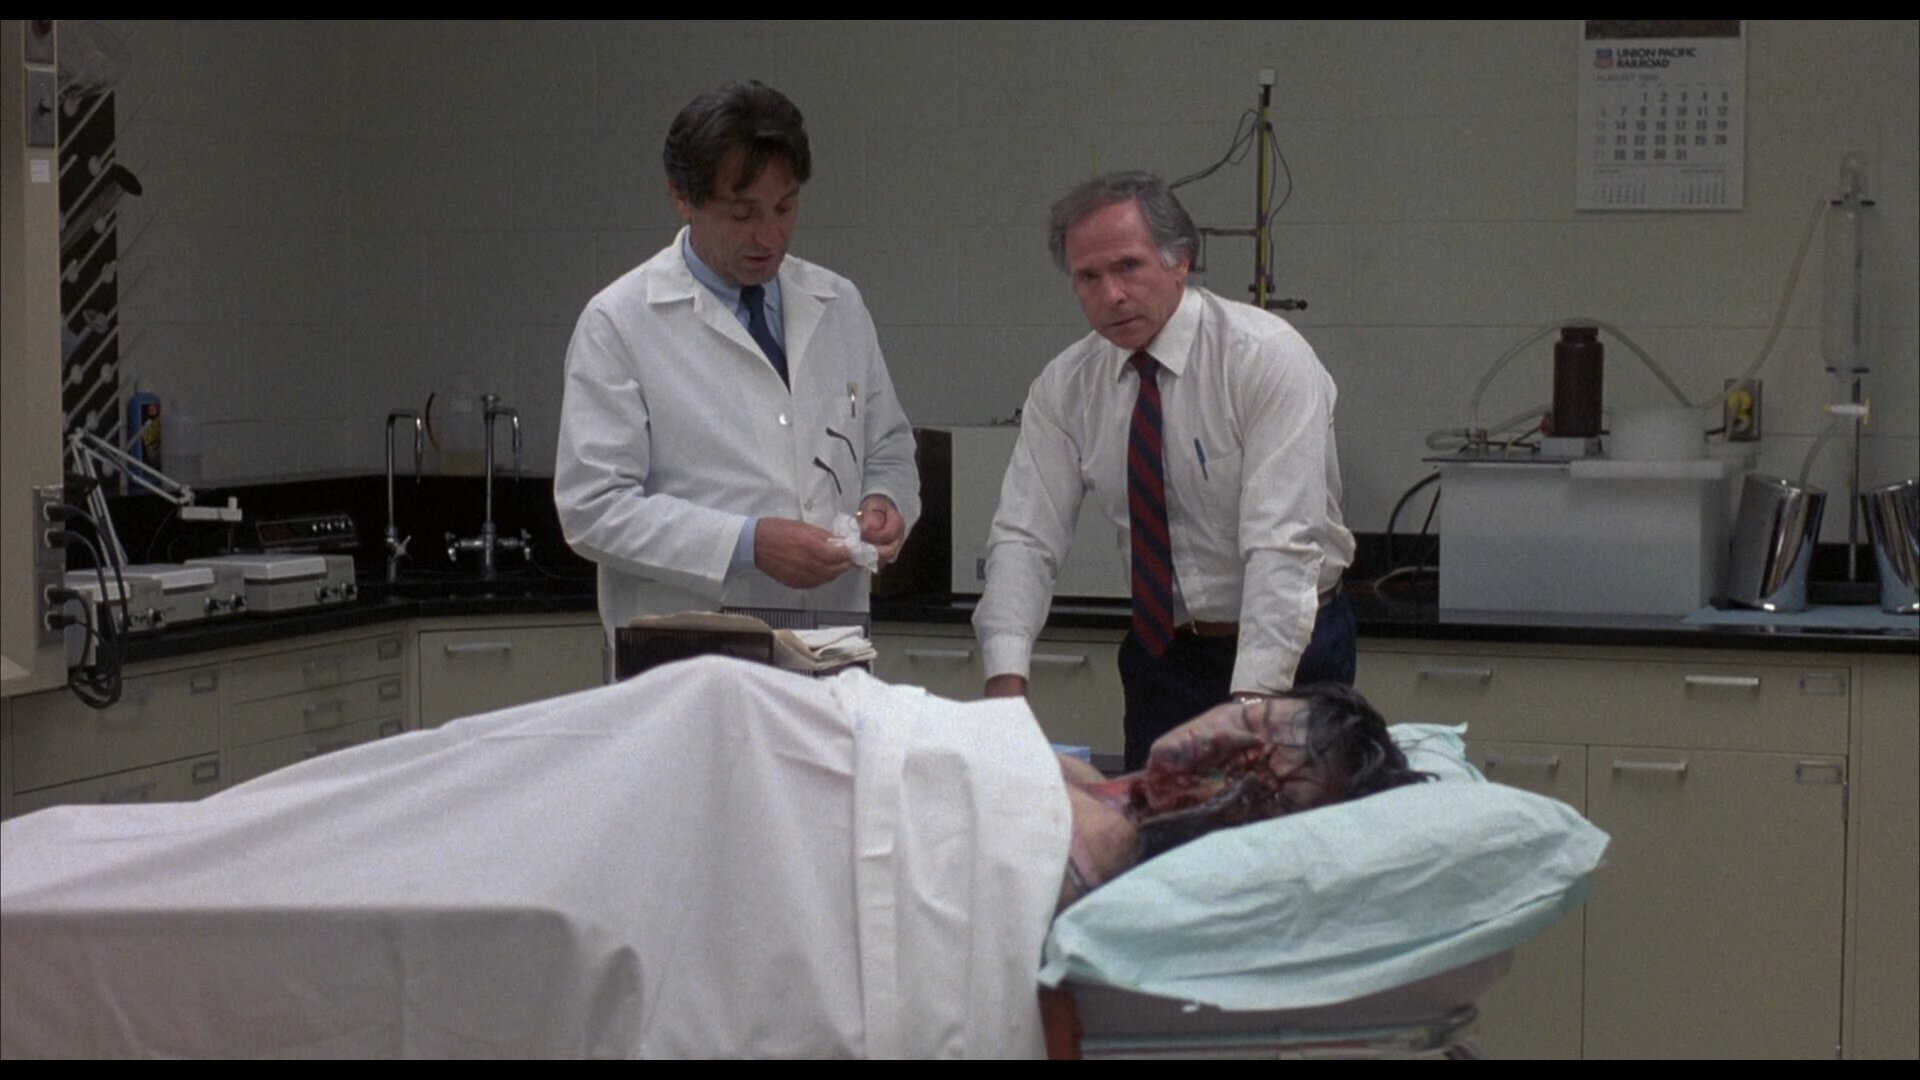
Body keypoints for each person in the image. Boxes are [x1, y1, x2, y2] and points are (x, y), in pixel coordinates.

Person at [974, 171, 1358, 769]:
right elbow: (1025, 537)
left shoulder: (1264, 357)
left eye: (1129, 267)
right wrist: (1005, 685)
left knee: (1284, 819)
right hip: (1164, 656)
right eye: (1088, 277)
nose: (1112, 295)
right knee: (1156, 819)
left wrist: (1249, 706)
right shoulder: (1067, 386)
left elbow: (1282, 545)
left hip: (1293, 647)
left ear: (1181, 261)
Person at [554, 81, 919, 641]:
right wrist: (749, 544)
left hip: (832, 638)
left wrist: (884, 502)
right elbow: (593, 509)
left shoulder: (838, 304)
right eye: (742, 213)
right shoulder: (620, 323)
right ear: (682, 196)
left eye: (785, 207)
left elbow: (888, 445)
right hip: (690, 651)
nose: (769, 236)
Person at [1053, 682, 1426, 911]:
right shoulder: (1089, 780)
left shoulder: (1102, 839)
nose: (1222, 744)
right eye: (1250, 719)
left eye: (1260, 785)